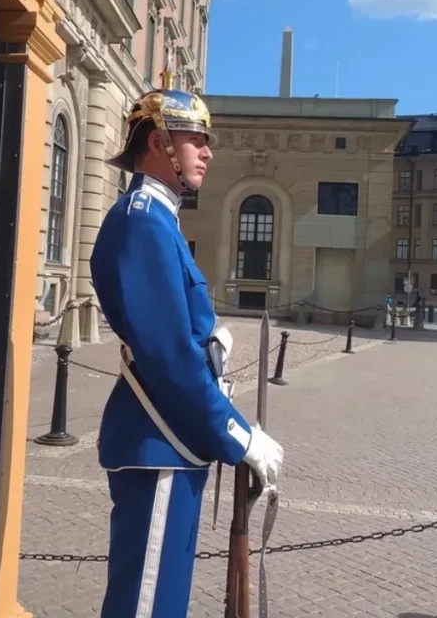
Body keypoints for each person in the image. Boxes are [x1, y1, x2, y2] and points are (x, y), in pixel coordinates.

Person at [90, 85, 285, 618]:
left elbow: (176, 336)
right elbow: (170, 359)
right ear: (159, 142)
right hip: (161, 439)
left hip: (172, 442)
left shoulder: (159, 218)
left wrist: (212, 340)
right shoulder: (143, 220)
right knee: (147, 604)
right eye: (196, 138)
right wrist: (238, 435)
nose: (207, 150)